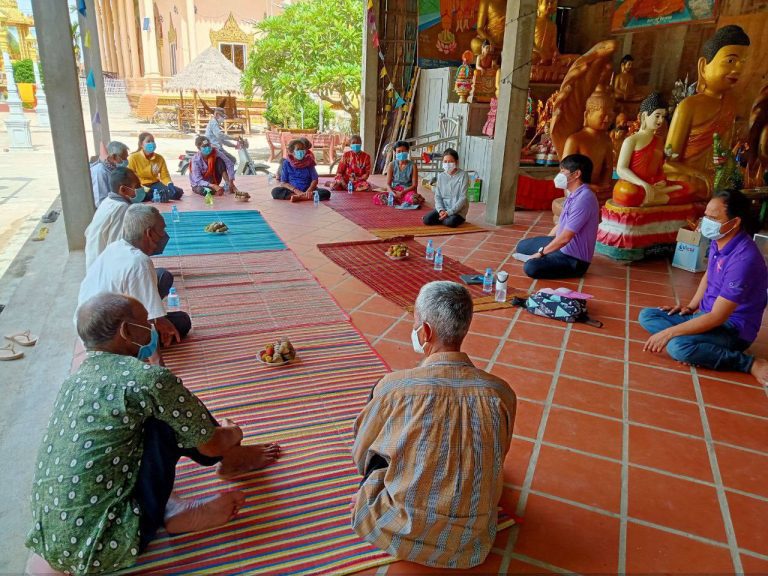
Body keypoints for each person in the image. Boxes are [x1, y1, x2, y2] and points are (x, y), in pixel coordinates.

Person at [25, 293, 281, 576]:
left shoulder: (73, 382)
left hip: (53, 543)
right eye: (146, 322)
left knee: (154, 416)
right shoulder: (147, 378)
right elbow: (210, 445)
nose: (151, 329)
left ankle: (172, 501)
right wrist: (233, 431)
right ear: (127, 331)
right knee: (171, 420)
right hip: (108, 543)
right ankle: (219, 469)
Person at [351, 281, 516, 568]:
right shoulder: (501, 393)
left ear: (425, 331)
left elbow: (362, 454)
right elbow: (500, 451)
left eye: (415, 321)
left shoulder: (393, 388)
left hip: (397, 529)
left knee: (378, 449)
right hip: (470, 541)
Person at [640, 189, 768, 385]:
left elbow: (718, 317)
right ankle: (702, 341)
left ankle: (748, 363)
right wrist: (690, 307)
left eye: (713, 218)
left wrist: (670, 332)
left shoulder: (744, 260)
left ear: (734, 222)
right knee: (647, 316)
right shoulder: (720, 240)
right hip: (705, 315)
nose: (706, 221)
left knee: (677, 347)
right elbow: (710, 275)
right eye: (706, 215)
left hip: (732, 330)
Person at [77, 204, 189, 361]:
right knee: (182, 321)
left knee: (163, 277)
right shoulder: (139, 262)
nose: (164, 235)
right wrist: (158, 367)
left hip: (87, 329)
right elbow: (149, 322)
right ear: (149, 233)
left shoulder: (115, 247)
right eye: (162, 230)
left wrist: (160, 319)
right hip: (107, 342)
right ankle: (134, 351)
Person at [515, 154, 599, 279]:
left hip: (573, 259)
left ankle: (546, 258)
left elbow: (565, 238)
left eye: (563, 171)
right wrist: (546, 244)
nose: (559, 175)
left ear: (576, 174)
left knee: (531, 267)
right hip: (561, 246)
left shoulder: (584, 199)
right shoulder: (574, 194)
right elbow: (561, 224)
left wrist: (541, 252)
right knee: (522, 246)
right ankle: (548, 255)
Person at [84, 167, 144, 269]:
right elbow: (117, 246)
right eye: (136, 187)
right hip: (105, 268)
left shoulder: (108, 201)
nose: (138, 190)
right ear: (123, 189)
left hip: (95, 263)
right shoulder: (121, 208)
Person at [127, 132, 184, 201]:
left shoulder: (159, 158)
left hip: (155, 184)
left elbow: (164, 175)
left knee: (177, 192)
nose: (151, 143)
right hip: (140, 186)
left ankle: (156, 196)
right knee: (143, 194)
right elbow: (130, 177)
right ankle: (155, 196)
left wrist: (169, 184)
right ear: (141, 144)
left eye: (153, 141)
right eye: (148, 141)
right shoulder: (133, 157)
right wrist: (144, 188)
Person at [422, 148, 468, 228]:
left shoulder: (463, 175)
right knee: (427, 220)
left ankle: (445, 219)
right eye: (445, 161)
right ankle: (443, 218)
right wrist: (441, 210)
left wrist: (449, 212)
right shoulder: (441, 176)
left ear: (456, 162)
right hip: (443, 208)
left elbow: (462, 198)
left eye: (450, 161)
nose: (447, 164)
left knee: (451, 222)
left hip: (457, 211)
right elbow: (438, 196)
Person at [381, 140, 422, 206]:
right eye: (399, 151)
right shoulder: (391, 165)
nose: (401, 153)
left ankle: (402, 200)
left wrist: (402, 192)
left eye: (403, 151)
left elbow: (414, 185)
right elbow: (388, 184)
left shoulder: (413, 165)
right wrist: (393, 193)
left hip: (407, 190)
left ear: (407, 151)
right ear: (395, 152)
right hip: (395, 190)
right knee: (380, 197)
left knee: (414, 199)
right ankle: (401, 201)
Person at [89, 141, 129, 207]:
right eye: (124, 158)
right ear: (114, 157)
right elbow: (100, 201)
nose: (126, 161)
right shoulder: (100, 171)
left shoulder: (115, 169)